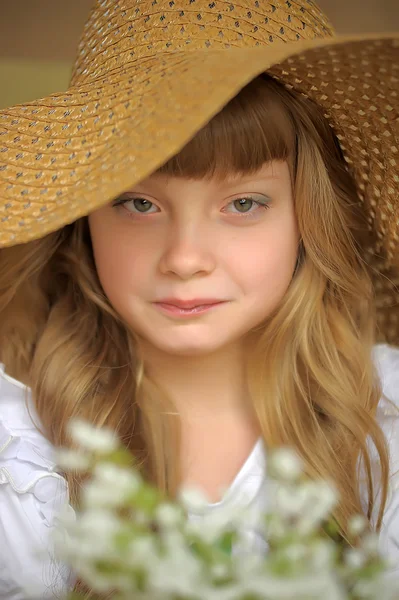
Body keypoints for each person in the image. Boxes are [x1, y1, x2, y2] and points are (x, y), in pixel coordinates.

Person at [0, 0, 398, 597]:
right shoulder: (19, 455)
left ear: (308, 219)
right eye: (139, 203)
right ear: (82, 220)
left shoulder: (385, 426)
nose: (185, 258)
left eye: (243, 204)